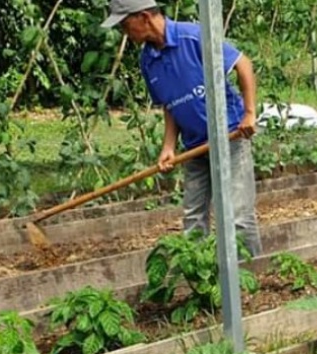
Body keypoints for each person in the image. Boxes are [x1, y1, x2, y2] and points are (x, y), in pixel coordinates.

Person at [101, 0, 262, 257]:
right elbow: (170, 104)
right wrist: (168, 146)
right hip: (194, 147)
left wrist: (250, 113)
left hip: (230, 137)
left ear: (144, 17)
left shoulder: (193, 37)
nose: (124, 32)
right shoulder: (147, 61)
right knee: (193, 220)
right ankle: (200, 276)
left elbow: (243, 64)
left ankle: (248, 273)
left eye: (125, 24)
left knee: (238, 217)